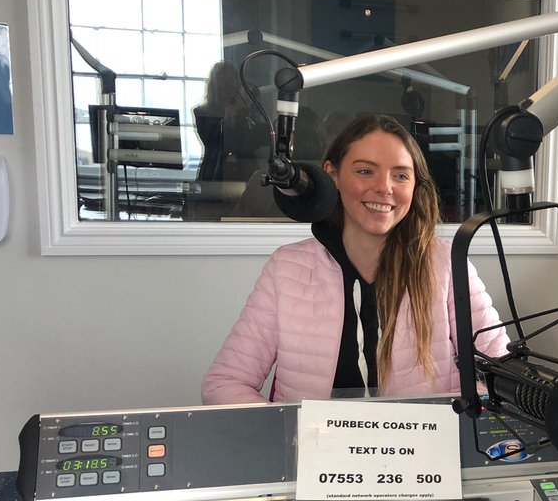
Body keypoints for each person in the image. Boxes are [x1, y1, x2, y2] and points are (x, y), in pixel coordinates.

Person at [202, 113, 509, 403]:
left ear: (415, 187)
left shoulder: (445, 264)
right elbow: (225, 383)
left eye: (400, 175)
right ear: (332, 175)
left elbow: (503, 375)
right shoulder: (287, 268)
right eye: (365, 171)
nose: (384, 188)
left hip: (420, 454)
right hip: (317, 454)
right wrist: (287, 434)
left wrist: (456, 429)